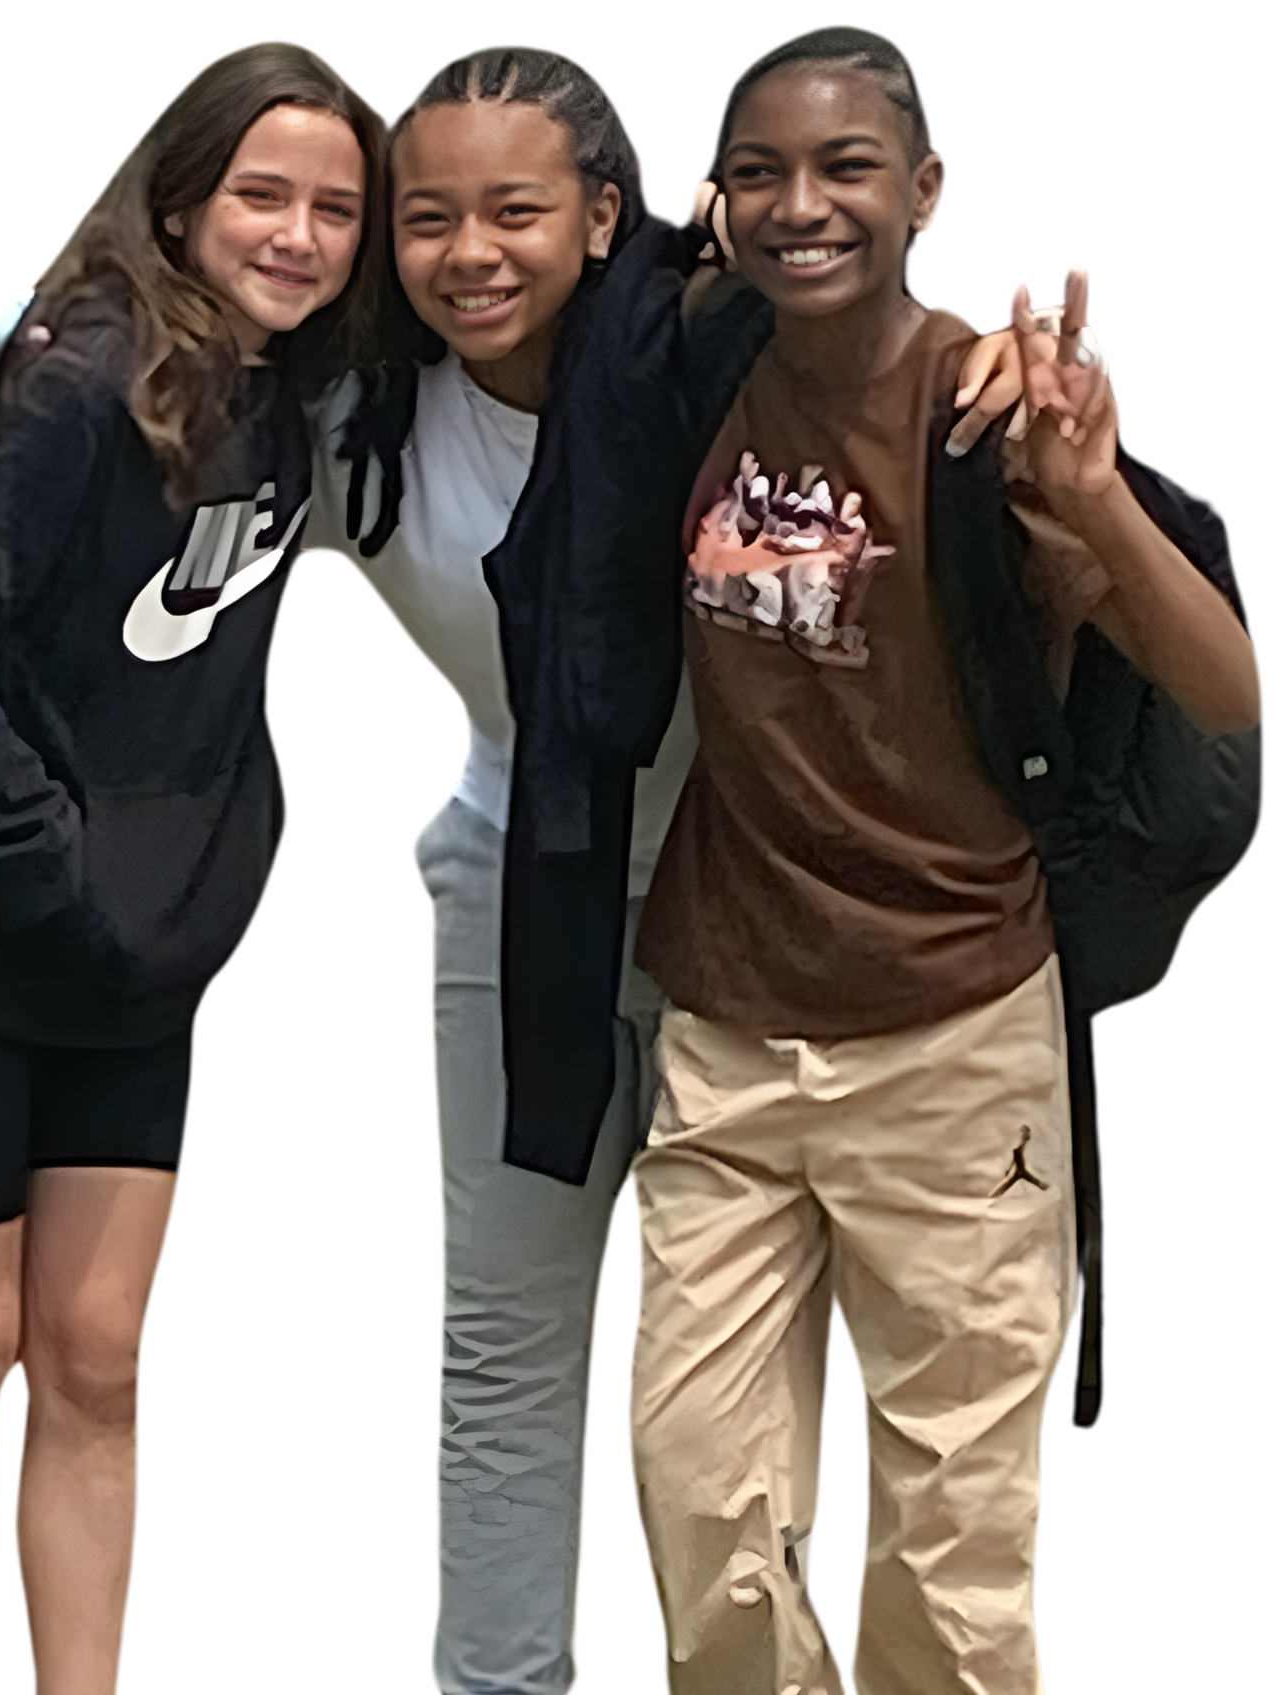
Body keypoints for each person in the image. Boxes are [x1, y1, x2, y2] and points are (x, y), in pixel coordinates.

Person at [0, 42, 1031, 1694]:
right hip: (514, 896)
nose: (468, 254)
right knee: (505, 1343)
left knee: (755, 1380)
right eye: (425, 217)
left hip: (757, 900)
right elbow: (148, 367)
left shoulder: (707, 366)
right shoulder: (352, 420)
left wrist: (1010, 348)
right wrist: (2, 353)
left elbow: (873, 330)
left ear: (602, 216)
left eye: (515, 211)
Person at [613, 25, 1264, 1695]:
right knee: (697, 1493)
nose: (801, 206)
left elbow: (1225, 689)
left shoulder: (992, 416)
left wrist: (1093, 502)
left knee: (947, 1539)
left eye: (846, 169)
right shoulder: (700, 356)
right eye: (760, 173)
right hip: (726, 1024)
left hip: (953, 1039)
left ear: (927, 191)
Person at [0, 41, 391, 1693]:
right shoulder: (82, 383)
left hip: (133, 965)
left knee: (91, 1354)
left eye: (336, 209)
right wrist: (56, 865)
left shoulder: (298, 391)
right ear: (179, 203)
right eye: (260, 195)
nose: (297, 235)